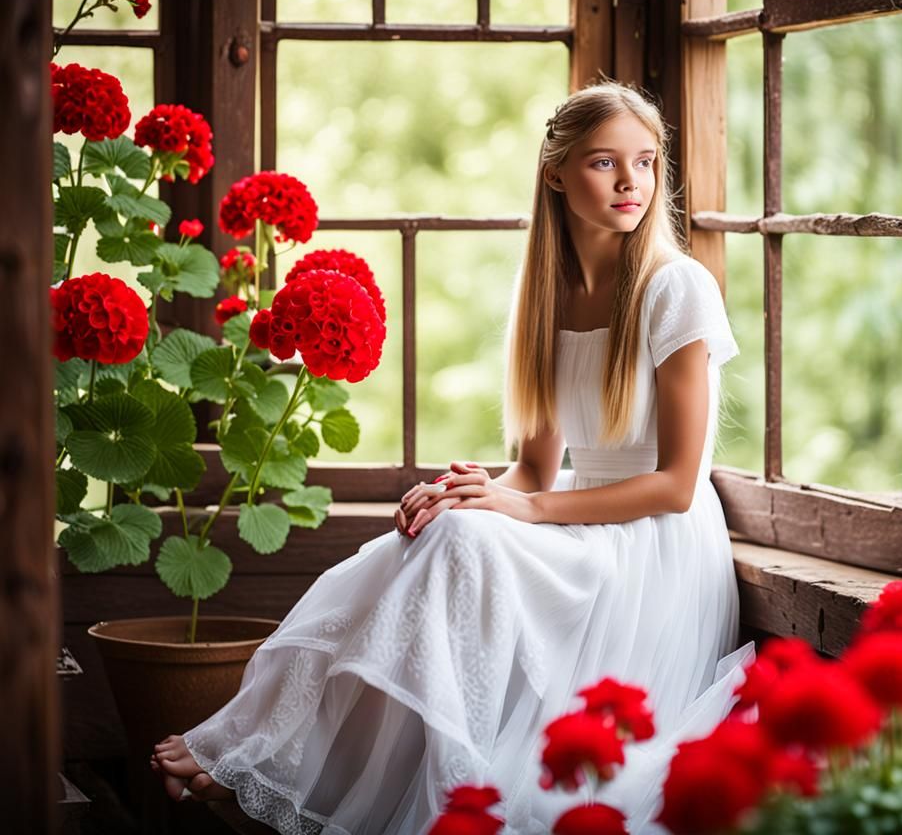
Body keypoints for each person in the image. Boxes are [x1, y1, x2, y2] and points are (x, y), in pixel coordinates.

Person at [152, 82, 753, 834]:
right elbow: (532, 474)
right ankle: (259, 748)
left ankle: (260, 755)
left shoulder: (676, 289)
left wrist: (524, 506)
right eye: (606, 162)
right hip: (584, 514)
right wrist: (472, 491)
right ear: (557, 173)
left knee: (467, 540)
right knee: (443, 529)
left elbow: (670, 486)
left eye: (647, 161)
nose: (632, 182)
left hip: (655, 552)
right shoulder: (549, 294)